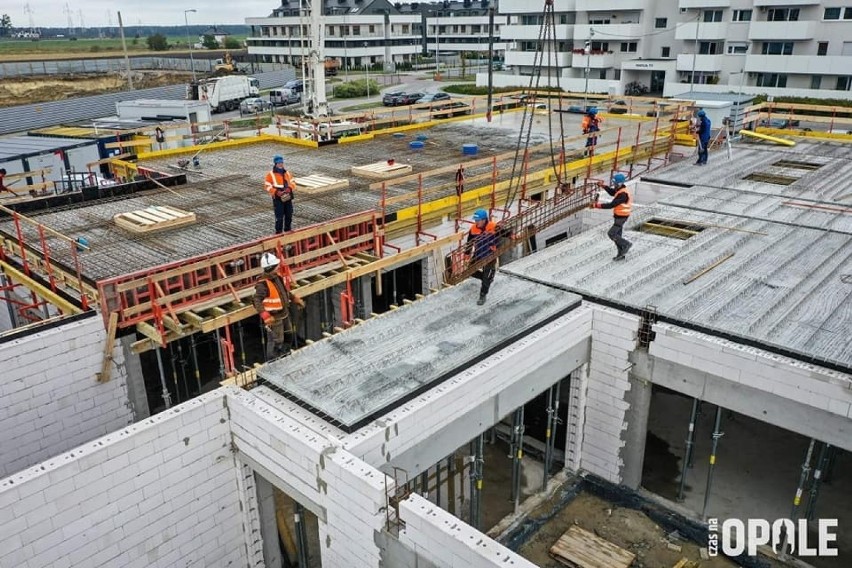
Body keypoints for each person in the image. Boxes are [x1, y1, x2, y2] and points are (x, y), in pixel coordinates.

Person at [254, 252, 305, 359]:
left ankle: (285, 355)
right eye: (276, 265)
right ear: (272, 267)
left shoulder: (277, 277)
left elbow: (284, 292)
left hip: (284, 313)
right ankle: (273, 361)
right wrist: (265, 316)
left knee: (288, 335)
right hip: (274, 317)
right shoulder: (262, 284)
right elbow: (256, 301)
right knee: (276, 340)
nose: (278, 266)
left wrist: (294, 298)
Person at [466, 209, 503, 306]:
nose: (476, 222)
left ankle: (483, 295)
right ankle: (487, 278)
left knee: (487, 273)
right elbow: (469, 243)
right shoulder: (473, 229)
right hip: (478, 253)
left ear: (484, 220)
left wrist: (512, 235)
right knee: (470, 270)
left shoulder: (493, 226)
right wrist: (467, 254)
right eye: (475, 220)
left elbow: (505, 232)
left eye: (478, 220)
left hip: (490, 253)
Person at [593, 173, 633, 261]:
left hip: (622, 217)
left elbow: (612, 205)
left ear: (619, 183)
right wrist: (603, 186)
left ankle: (626, 244)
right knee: (618, 236)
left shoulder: (623, 194)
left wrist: (596, 205)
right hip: (619, 216)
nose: (613, 185)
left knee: (612, 234)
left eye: (615, 183)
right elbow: (612, 192)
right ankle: (621, 254)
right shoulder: (620, 189)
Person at [264, 155, 297, 234]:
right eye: (279, 163)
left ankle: (287, 229)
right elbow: (267, 185)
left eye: (281, 162)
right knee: (279, 216)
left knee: (289, 214)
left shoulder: (287, 173)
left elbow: (293, 182)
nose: (281, 164)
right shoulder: (270, 174)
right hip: (278, 198)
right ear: (275, 163)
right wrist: (276, 192)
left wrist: (289, 188)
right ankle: (278, 232)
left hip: (287, 196)